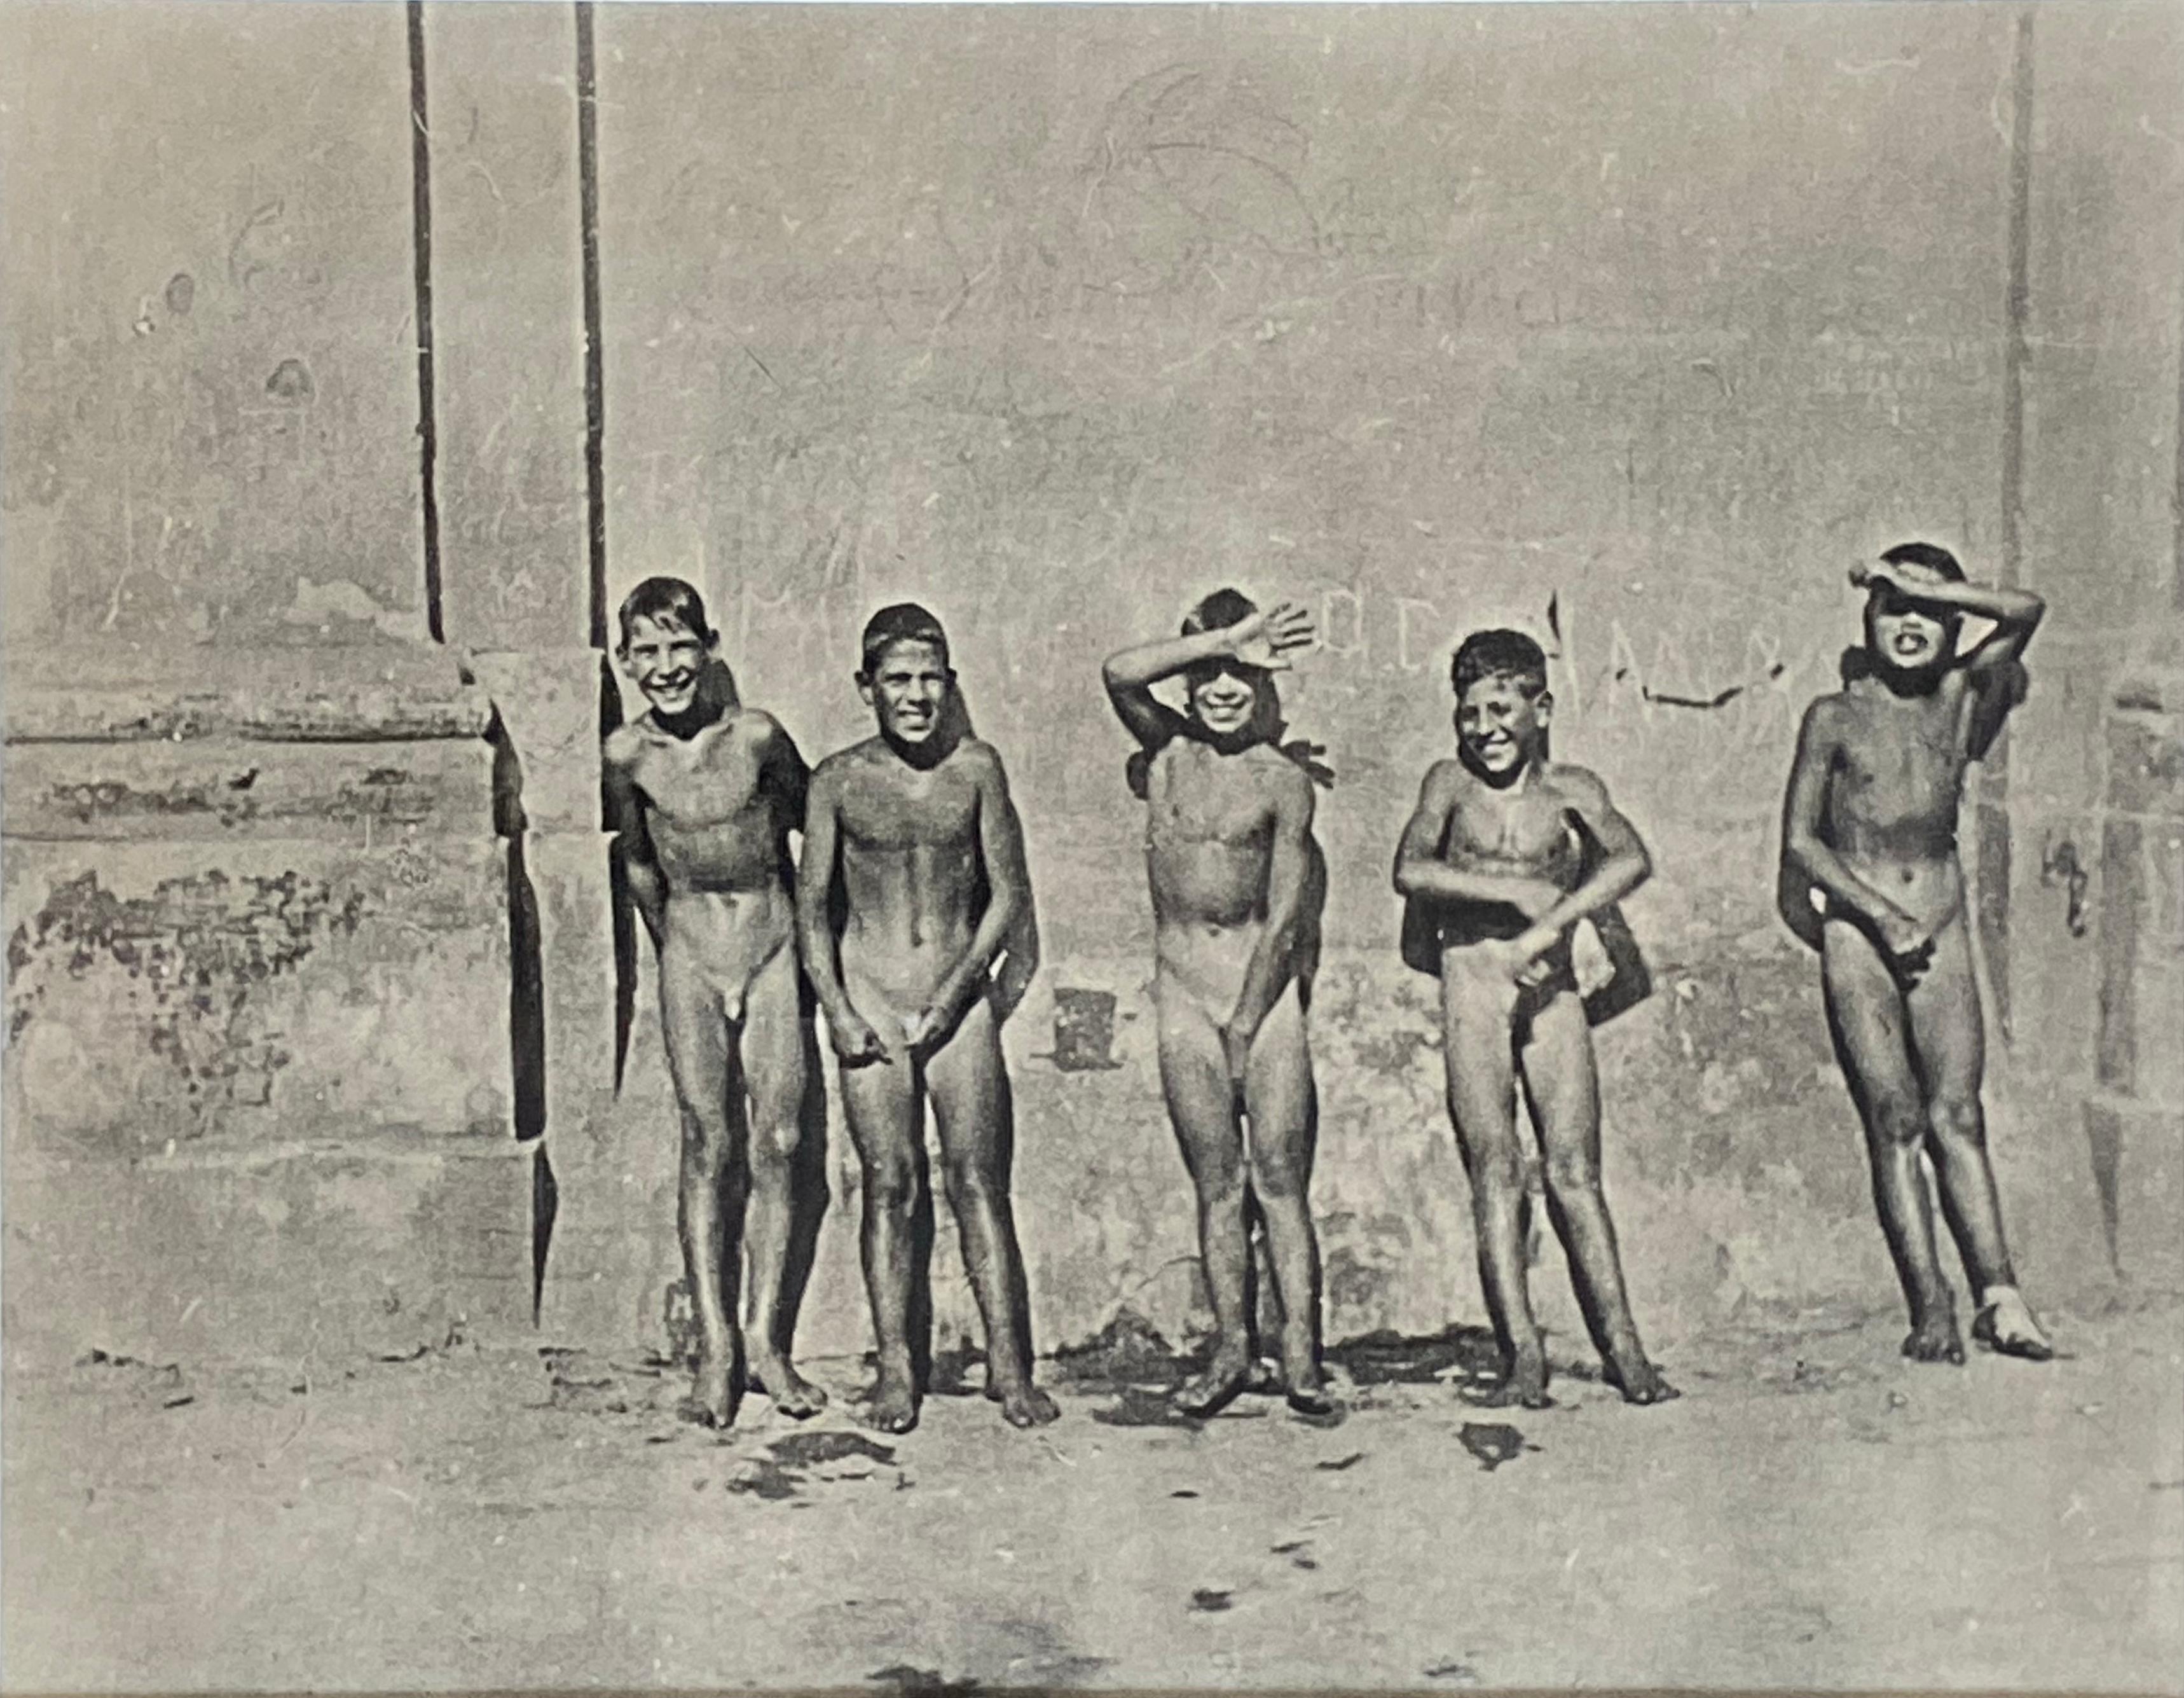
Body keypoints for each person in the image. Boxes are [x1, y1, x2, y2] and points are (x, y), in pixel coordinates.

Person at [1778, 542, 2052, 1363]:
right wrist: (1873, 914)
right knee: (1894, 1115)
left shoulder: (1956, 699)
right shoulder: (1833, 716)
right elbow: (1799, 843)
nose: (1910, 625)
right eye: (1892, 608)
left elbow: (2026, 609)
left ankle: (1998, 1296)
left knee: (1958, 1112)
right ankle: (1929, 1301)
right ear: (1866, 622)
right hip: (1860, 931)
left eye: (1928, 614)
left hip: (1938, 918)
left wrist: (1937, 588)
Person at [1394, 628, 1676, 1408]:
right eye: (1469, 712)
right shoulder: (1448, 784)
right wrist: (1512, 897)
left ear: (1541, 707)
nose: (1483, 727)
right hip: (1473, 984)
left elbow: (1631, 859)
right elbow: (1410, 869)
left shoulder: (1573, 790)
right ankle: (1522, 1354)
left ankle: (1625, 1350)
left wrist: (1555, 925)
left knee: (1576, 1172)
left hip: (1551, 994)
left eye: (1501, 707)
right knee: (1497, 1170)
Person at [797, 604, 1055, 1433]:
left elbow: (1009, 896)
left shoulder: (976, 768)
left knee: (980, 1182)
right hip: (870, 991)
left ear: (950, 681)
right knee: (889, 1183)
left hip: (956, 997)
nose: (915, 696)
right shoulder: (836, 779)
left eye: (930, 678)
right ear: (865, 687)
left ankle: (1008, 1369)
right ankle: (895, 1370)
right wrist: (835, 1006)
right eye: (898, 680)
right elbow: (810, 908)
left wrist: (959, 993)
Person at [1102, 590, 1335, 1418]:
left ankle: (1300, 1353)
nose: (1224, 687)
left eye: (1240, 672)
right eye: (1208, 673)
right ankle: (1232, 1347)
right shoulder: (1164, 755)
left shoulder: (1281, 781)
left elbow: (1282, 919)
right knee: (1215, 1184)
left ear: (1266, 683)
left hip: (1261, 1002)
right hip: (1180, 997)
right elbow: (1117, 672)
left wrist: (1244, 1020)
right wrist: (1224, 639)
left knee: (1278, 1182)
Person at [601, 577, 828, 1428]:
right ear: (627, 662)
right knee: (707, 1141)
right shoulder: (627, 757)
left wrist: (805, 948)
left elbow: (814, 832)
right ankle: (716, 1351)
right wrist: (679, 950)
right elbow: (636, 862)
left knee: (779, 1139)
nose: (665, 667)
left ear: (710, 645)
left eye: (679, 646)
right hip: (691, 951)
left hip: (770, 946)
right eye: (647, 652)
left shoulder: (758, 737)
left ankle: (767, 1343)